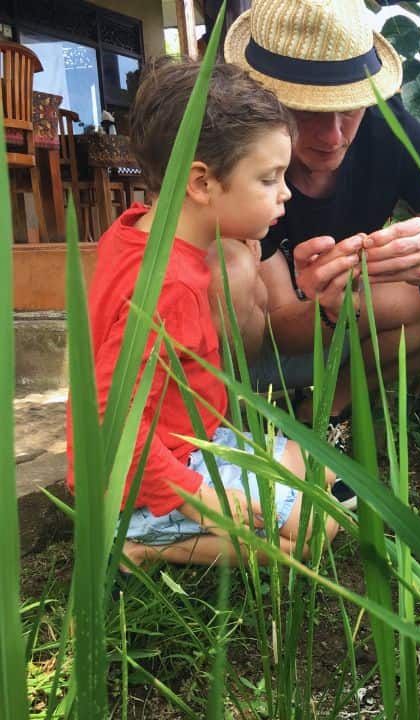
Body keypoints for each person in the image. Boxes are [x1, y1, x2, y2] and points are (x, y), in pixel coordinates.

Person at [66, 59, 342, 569]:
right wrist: (199, 496)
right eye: (269, 179)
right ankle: (143, 546)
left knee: (323, 471)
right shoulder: (164, 287)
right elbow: (109, 422)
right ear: (201, 183)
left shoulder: (137, 232)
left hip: (190, 438)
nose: (286, 192)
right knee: (316, 530)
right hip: (142, 479)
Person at [221, 0, 420, 427]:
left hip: (329, 326)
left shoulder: (389, 130)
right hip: (242, 352)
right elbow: (276, 333)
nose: (333, 136)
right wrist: (331, 307)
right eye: (308, 111)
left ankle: (322, 415)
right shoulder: (235, 148)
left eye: (350, 106)